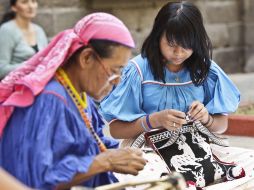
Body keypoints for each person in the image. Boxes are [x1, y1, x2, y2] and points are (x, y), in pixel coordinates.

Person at [100, 1, 254, 188]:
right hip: (148, 151)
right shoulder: (138, 71)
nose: (178, 53)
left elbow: (221, 126)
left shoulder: (205, 69)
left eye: (186, 46)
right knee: (155, 182)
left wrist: (206, 118)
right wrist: (153, 120)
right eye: (171, 44)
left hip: (200, 149)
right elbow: (116, 130)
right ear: (158, 37)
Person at [0, 13, 146, 189]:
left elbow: (95, 142)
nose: (117, 80)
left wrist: (125, 154)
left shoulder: (81, 96)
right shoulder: (48, 101)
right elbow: (37, 178)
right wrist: (105, 161)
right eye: (115, 70)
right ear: (86, 58)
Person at [0, 0, 48, 79]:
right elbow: (1, 69)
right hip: (16, 86)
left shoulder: (39, 30)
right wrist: (30, 65)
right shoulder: (7, 30)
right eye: (24, 2)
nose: (31, 6)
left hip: (39, 83)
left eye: (33, 1)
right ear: (14, 7)